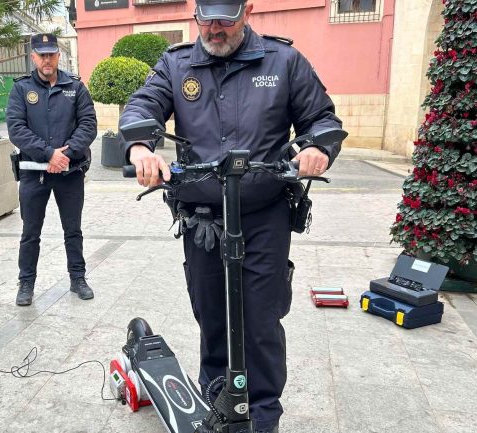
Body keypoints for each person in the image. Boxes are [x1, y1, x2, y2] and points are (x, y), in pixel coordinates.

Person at [120, 1, 342, 432]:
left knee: (260, 318)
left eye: (226, 18)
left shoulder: (284, 61)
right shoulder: (176, 63)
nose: (215, 28)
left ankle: (262, 415)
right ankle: (217, 401)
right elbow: (143, 107)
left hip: (264, 215)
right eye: (207, 18)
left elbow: (321, 118)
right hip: (203, 218)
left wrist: (317, 147)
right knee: (211, 313)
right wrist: (141, 147)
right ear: (196, 15)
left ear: (248, 11)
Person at [6, 33, 98, 306]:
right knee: (30, 232)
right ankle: (26, 283)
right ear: (33, 57)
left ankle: (77, 278)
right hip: (34, 173)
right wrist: (49, 154)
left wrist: (65, 155)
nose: (47, 59)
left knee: (73, 229)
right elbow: (16, 129)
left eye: (51, 54)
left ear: (59, 55)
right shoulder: (21, 89)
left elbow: (88, 124)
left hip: (69, 173)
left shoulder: (75, 86)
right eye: (41, 55)